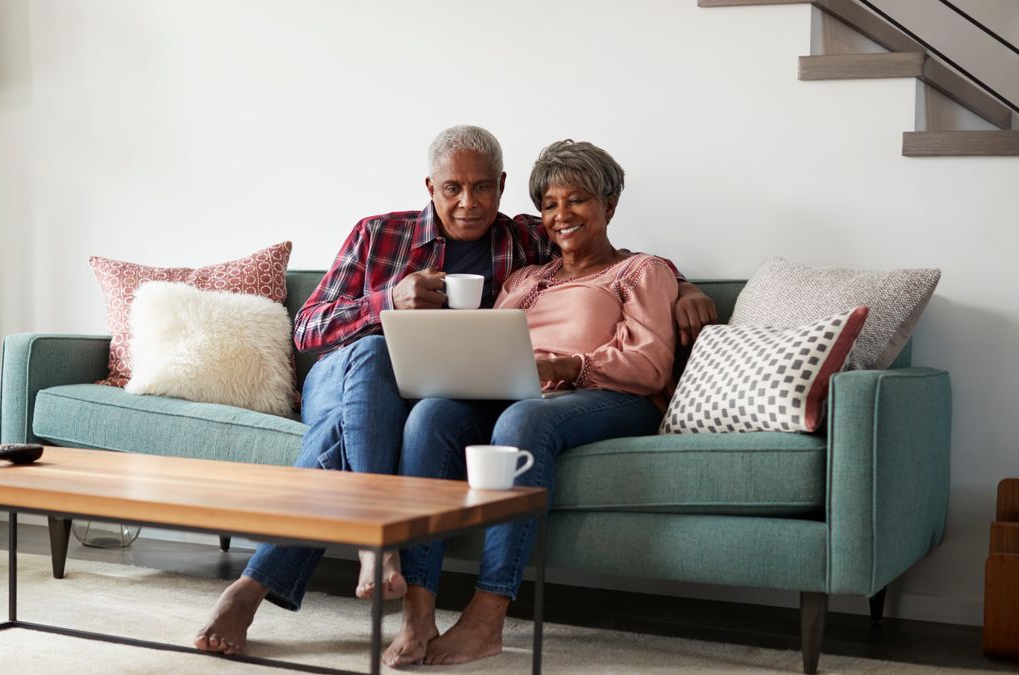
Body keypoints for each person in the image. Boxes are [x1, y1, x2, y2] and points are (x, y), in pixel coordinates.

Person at [194, 127, 717, 655]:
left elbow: (620, 261)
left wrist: (685, 285)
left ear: (501, 187)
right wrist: (387, 303)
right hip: (346, 371)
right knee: (376, 358)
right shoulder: (382, 234)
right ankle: (380, 538)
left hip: (454, 392)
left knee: (421, 417)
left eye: (484, 188)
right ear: (430, 186)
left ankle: (283, 589)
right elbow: (306, 331)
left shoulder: (524, 243)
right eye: (453, 189)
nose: (469, 203)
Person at [382, 139, 680, 667]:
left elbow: (652, 364)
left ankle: (486, 618)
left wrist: (566, 366)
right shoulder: (524, 278)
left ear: (609, 205)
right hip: (522, 393)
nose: (561, 215)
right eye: (549, 205)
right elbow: (491, 344)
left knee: (524, 417)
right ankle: (418, 605)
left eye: (578, 200)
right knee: (431, 415)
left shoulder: (640, 271)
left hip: (611, 397)